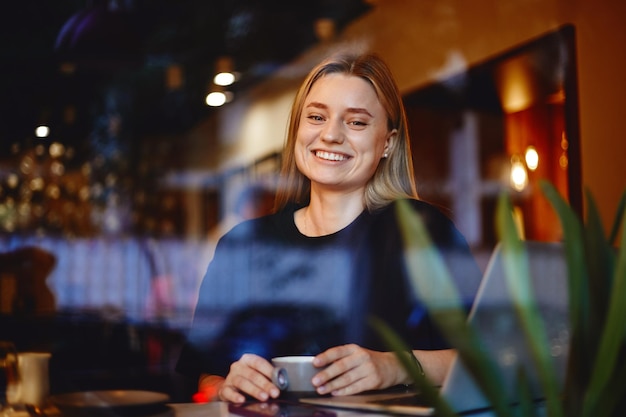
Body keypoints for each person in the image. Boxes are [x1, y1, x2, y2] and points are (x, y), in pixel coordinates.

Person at [175, 52, 482, 403]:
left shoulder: (424, 234)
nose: (331, 134)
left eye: (356, 122)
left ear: (388, 142)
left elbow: (487, 363)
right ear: (297, 131)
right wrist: (223, 386)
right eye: (317, 117)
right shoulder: (243, 245)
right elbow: (204, 377)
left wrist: (397, 366)